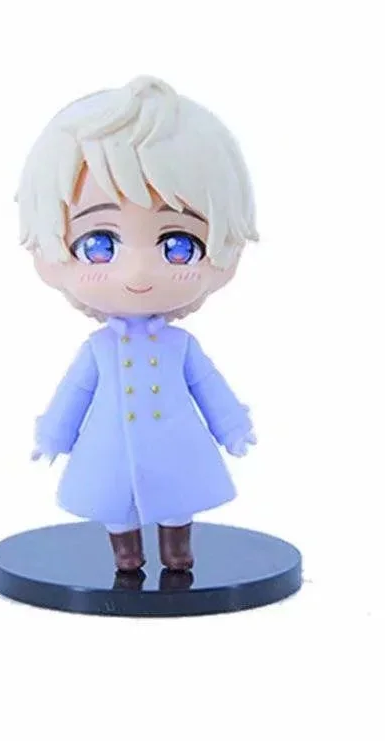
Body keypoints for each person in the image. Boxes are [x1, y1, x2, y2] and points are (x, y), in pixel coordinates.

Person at [18, 76, 257, 573]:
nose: (138, 273)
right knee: (115, 505)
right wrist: (53, 436)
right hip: (108, 450)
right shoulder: (97, 350)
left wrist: (233, 428)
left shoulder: (181, 346)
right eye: (99, 245)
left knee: (177, 499)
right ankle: (126, 554)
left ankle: (177, 549)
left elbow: (209, 387)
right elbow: (74, 394)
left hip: (176, 446)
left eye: (178, 245)